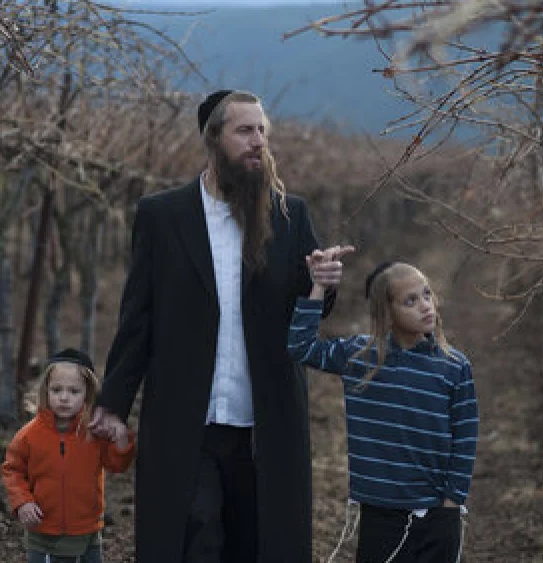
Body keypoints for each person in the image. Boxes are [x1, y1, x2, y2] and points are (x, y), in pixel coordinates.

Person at [89, 89, 348, 562]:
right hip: (188, 416)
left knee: (255, 544)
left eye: (263, 131)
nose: (258, 142)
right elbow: (137, 316)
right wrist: (114, 402)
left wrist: (321, 283)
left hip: (265, 419)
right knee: (194, 538)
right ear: (213, 138)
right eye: (245, 131)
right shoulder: (162, 216)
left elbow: (307, 313)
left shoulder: (289, 215)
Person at [287, 261, 479, 563]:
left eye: (426, 294)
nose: (425, 306)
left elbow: (465, 438)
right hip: (381, 514)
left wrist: (452, 502)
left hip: (437, 514)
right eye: (410, 301)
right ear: (387, 313)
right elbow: (301, 347)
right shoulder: (360, 357)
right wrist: (319, 286)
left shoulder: (454, 367)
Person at [1, 348, 136, 563]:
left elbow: (117, 464)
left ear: (87, 393)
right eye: (56, 390)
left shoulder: (93, 433)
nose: (64, 398)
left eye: (74, 391)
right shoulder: (29, 435)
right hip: (44, 531)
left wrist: (121, 439)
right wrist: (23, 502)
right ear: (45, 391)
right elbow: (12, 470)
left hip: (87, 529)